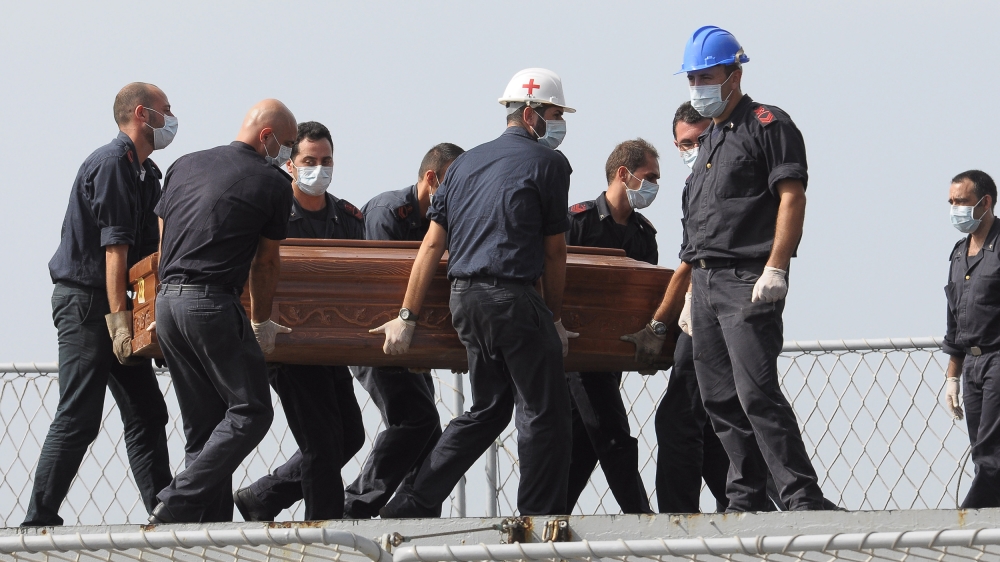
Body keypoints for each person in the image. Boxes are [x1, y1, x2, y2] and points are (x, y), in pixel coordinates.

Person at [628, 26, 829, 512]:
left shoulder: (768, 125)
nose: (697, 86)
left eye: (706, 75)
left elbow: (792, 197)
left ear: (734, 74)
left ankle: (802, 497)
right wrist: (690, 293)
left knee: (756, 393)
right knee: (719, 401)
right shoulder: (711, 138)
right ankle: (746, 498)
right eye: (691, 77)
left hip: (746, 280)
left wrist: (776, 267)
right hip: (706, 284)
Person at [374, 68, 577, 517]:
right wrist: (556, 319)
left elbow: (431, 244)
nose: (560, 124)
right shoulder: (550, 164)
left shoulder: (463, 164)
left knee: (486, 409)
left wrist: (407, 316)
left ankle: (410, 504)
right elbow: (555, 254)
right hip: (513, 300)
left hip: (464, 300)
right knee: (545, 413)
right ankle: (539, 521)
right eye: (556, 114)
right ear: (530, 114)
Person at [25, 83, 174, 527]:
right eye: (167, 110)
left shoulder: (148, 174)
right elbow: (116, 252)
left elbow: (148, 258)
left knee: (148, 412)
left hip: (115, 307)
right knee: (79, 415)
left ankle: (165, 513)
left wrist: (148, 323)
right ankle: (38, 518)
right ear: (143, 114)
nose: (173, 118)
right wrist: (120, 324)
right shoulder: (112, 165)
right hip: (88, 306)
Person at [148, 99, 298, 523]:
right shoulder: (271, 181)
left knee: (205, 426)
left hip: (168, 303)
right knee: (252, 410)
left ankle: (205, 530)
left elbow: (165, 240)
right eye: (286, 144)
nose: (287, 153)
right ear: (266, 136)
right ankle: (176, 500)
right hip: (211, 302)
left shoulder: (184, 164)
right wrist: (261, 322)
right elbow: (266, 261)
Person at [232, 121, 366, 522]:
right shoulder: (271, 213)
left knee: (350, 436)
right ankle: (322, 526)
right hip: (286, 343)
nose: (318, 169)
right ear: (290, 164)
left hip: (330, 343)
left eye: (326, 161)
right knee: (322, 442)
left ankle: (262, 497)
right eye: (309, 160)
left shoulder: (347, 218)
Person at [343, 142, 465, 519]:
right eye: (455, 183)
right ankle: (356, 505)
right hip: (378, 337)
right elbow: (384, 288)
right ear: (432, 179)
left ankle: (413, 513)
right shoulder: (387, 213)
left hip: (413, 343)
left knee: (427, 430)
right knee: (416, 420)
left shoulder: (447, 221)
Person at [562, 139, 660, 514]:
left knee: (586, 442)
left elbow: (647, 296)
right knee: (612, 435)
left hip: (611, 356)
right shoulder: (576, 222)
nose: (654, 185)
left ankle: (547, 517)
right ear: (624, 174)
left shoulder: (643, 235)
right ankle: (640, 517)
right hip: (573, 353)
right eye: (649, 176)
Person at [942, 170, 1000, 508]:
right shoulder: (958, 253)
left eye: (961, 202)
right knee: (982, 451)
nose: (955, 209)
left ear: (985, 202)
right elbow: (954, 319)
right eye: (951, 202)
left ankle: (967, 522)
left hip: (997, 359)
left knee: (992, 456)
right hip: (973, 365)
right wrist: (953, 376)